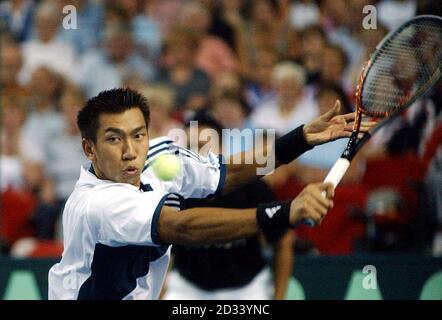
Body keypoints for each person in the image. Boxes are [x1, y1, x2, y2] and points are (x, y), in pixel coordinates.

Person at [48, 87, 372, 300]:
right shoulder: (97, 203)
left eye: (138, 135)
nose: (130, 150)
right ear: (89, 149)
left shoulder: (161, 158)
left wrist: (299, 139)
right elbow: (182, 227)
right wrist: (284, 213)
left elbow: (226, 173)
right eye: (114, 139)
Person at [163, 111, 293, 300]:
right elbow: (164, 254)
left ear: (222, 148)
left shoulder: (253, 187)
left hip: (248, 288)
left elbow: (283, 241)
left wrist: (279, 297)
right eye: (189, 147)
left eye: (204, 146)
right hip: (187, 288)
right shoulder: (171, 193)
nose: (196, 154)